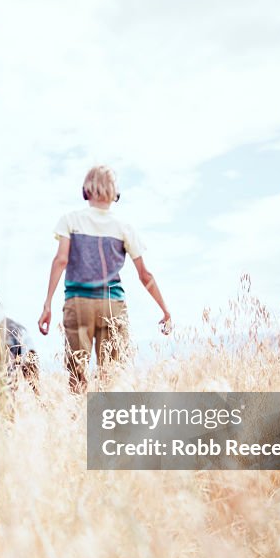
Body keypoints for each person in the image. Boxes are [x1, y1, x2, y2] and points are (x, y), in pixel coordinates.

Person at [38, 165, 171, 391]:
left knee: (77, 376)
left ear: (85, 191)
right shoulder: (124, 228)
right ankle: (108, 424)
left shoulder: (70, 220)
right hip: (113, 305)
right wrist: (165, 310)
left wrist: (47, 304)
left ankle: (79, 422)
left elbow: (61, 260)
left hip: (78, 302)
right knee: (112, 378)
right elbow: (145, 275)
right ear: (114, 193)